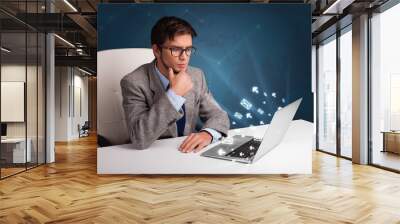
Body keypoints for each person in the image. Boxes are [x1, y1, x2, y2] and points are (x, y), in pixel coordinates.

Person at [120, 16, 229, 153]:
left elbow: (219, 115)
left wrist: (208, 134)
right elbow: (139, 138)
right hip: (151, 155)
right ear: (156, 51)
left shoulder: (196, 75)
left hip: (187, 152)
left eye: (188, 49)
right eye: (176, 49)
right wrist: (174, 95)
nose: (184, 57)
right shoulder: (133, 82)